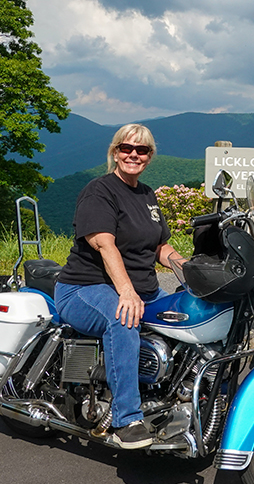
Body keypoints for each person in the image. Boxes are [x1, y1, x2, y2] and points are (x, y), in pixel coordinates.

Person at [54, 123, 182, 449]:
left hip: (143, 289)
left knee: (187, 317)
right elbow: (105, 245)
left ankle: (178, 396)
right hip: (85, 287)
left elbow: (160, 248)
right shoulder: (100, 191)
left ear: (150, 156)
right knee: (124, 318)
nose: (133, 155)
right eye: (127, 148)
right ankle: (127, 419)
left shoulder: (147, 194)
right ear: (115, 151)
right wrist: (126, 292)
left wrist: (190, 269)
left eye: (141, 150)